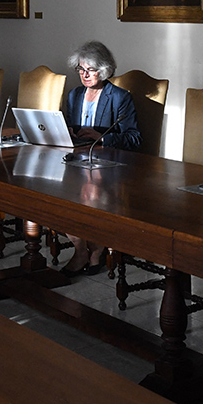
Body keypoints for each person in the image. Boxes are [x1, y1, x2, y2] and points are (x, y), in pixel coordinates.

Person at [61, 41, 140, 276]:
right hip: (77, 162)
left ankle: (93, 251)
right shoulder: (74, 95)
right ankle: (82, 248)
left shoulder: (119, 97)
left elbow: (134, 138)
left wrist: (103, 138)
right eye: (81, 69)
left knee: (90, 192)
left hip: (108, 165)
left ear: (104, 70)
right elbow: (68, 127)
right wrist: (68, 133)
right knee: (52, 195)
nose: (84, 75)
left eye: (90, 70)